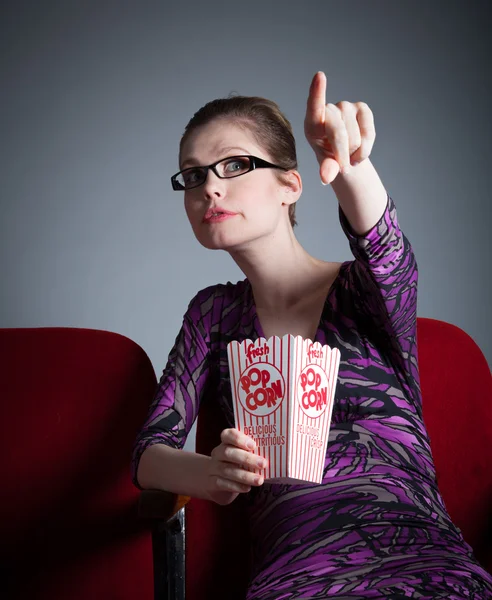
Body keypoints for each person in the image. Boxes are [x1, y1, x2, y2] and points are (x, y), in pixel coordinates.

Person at [131, 72, 492, 598]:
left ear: (291, 185)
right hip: (298, 575)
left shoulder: (364, 292)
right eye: (192, 175)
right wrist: (212, 473)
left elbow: (386, 249)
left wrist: (350, 165)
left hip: (422, 563)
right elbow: (148, 454)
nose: (210, 185)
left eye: (234, 165)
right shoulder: (212, 314)